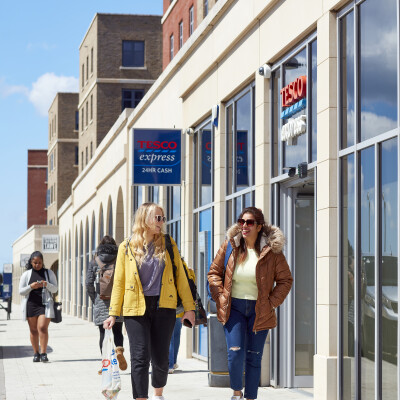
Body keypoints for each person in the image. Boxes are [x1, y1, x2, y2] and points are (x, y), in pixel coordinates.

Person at [103, 202, 195, 400]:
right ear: (144, 219)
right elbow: (118, 282)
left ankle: (158, 393)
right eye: (157, 217)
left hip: (164, 307)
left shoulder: (168, 243)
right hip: (135, 309)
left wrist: (190, 308)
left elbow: (181, 278)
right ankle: (141, 397)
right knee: (139, 357)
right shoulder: (126, 247)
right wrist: (113, 313)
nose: (162, 222)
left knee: (162, 359)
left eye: (162, 218)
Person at [208, 207, 293, 400]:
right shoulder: (231, 245)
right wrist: (221, 296)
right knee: (235, 353)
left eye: (249, 222)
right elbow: (214, 272)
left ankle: (250, 397)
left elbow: (285, 280)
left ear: (259, 226)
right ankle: (237, 393)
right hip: (234, 308)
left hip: (260, 309)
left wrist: (271, 303)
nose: (244, 226)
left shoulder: (271, 251)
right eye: (241, 221)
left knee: (254, 357)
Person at [86, 235, 127, 374]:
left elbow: (88, 283)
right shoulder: (120, 258)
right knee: (118, 330)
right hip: (118, 301)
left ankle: (106, 364)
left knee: (103, 333)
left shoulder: (95, 261)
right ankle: (119, 349)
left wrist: (94, 299)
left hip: (101, 300)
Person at [19, 251, 58, 362]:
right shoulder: (26, 274)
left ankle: (44, 353)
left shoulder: (48, 273)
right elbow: (21, 291)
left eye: (40, 262)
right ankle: (36, 353)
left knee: (42, 328)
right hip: (31, 304)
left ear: (42, 262)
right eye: (35, 262)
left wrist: (46, 284)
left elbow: (55, 289)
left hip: (45, 304)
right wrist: (31, 286)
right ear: (31, 262)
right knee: (33, 330)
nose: (37, 265)